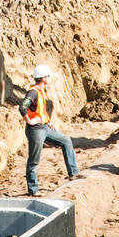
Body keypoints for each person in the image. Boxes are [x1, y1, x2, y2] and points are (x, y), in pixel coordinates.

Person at [18, 64, 79, 196]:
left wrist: (49, 122)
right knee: (34, 160)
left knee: (66, 141)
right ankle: (33, 190)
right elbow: (22, 107)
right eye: (48, 76)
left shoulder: (40, 92)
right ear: (43, 78)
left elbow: (40, 110)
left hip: (44, 127)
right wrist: (29, 121)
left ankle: (74, 173)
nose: (49, 78)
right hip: (36, 131)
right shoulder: (33, 92)